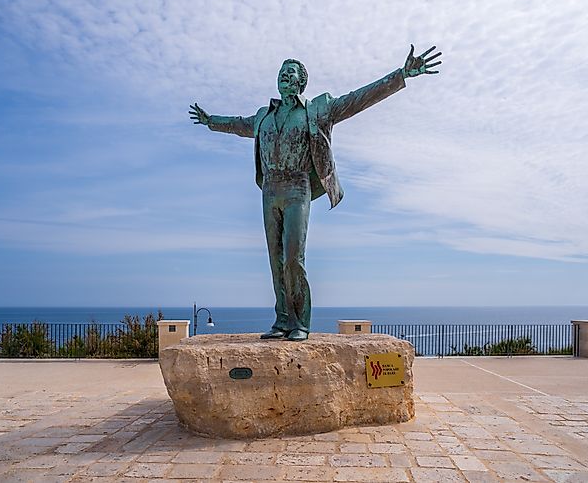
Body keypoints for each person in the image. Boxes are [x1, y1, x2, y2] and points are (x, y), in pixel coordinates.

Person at [189, 45, 442, 341]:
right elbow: (238, 124)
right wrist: (211, 122)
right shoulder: (263, 117)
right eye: (281, 73)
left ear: (300, 82)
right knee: (276, 259)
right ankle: (282, 319)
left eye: (290, 73)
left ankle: (301, 322)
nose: (284, 76)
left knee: (294, 257)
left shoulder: (317, 109)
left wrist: (400, 76)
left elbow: (357, 100)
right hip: (270, 190)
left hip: (298, 187)